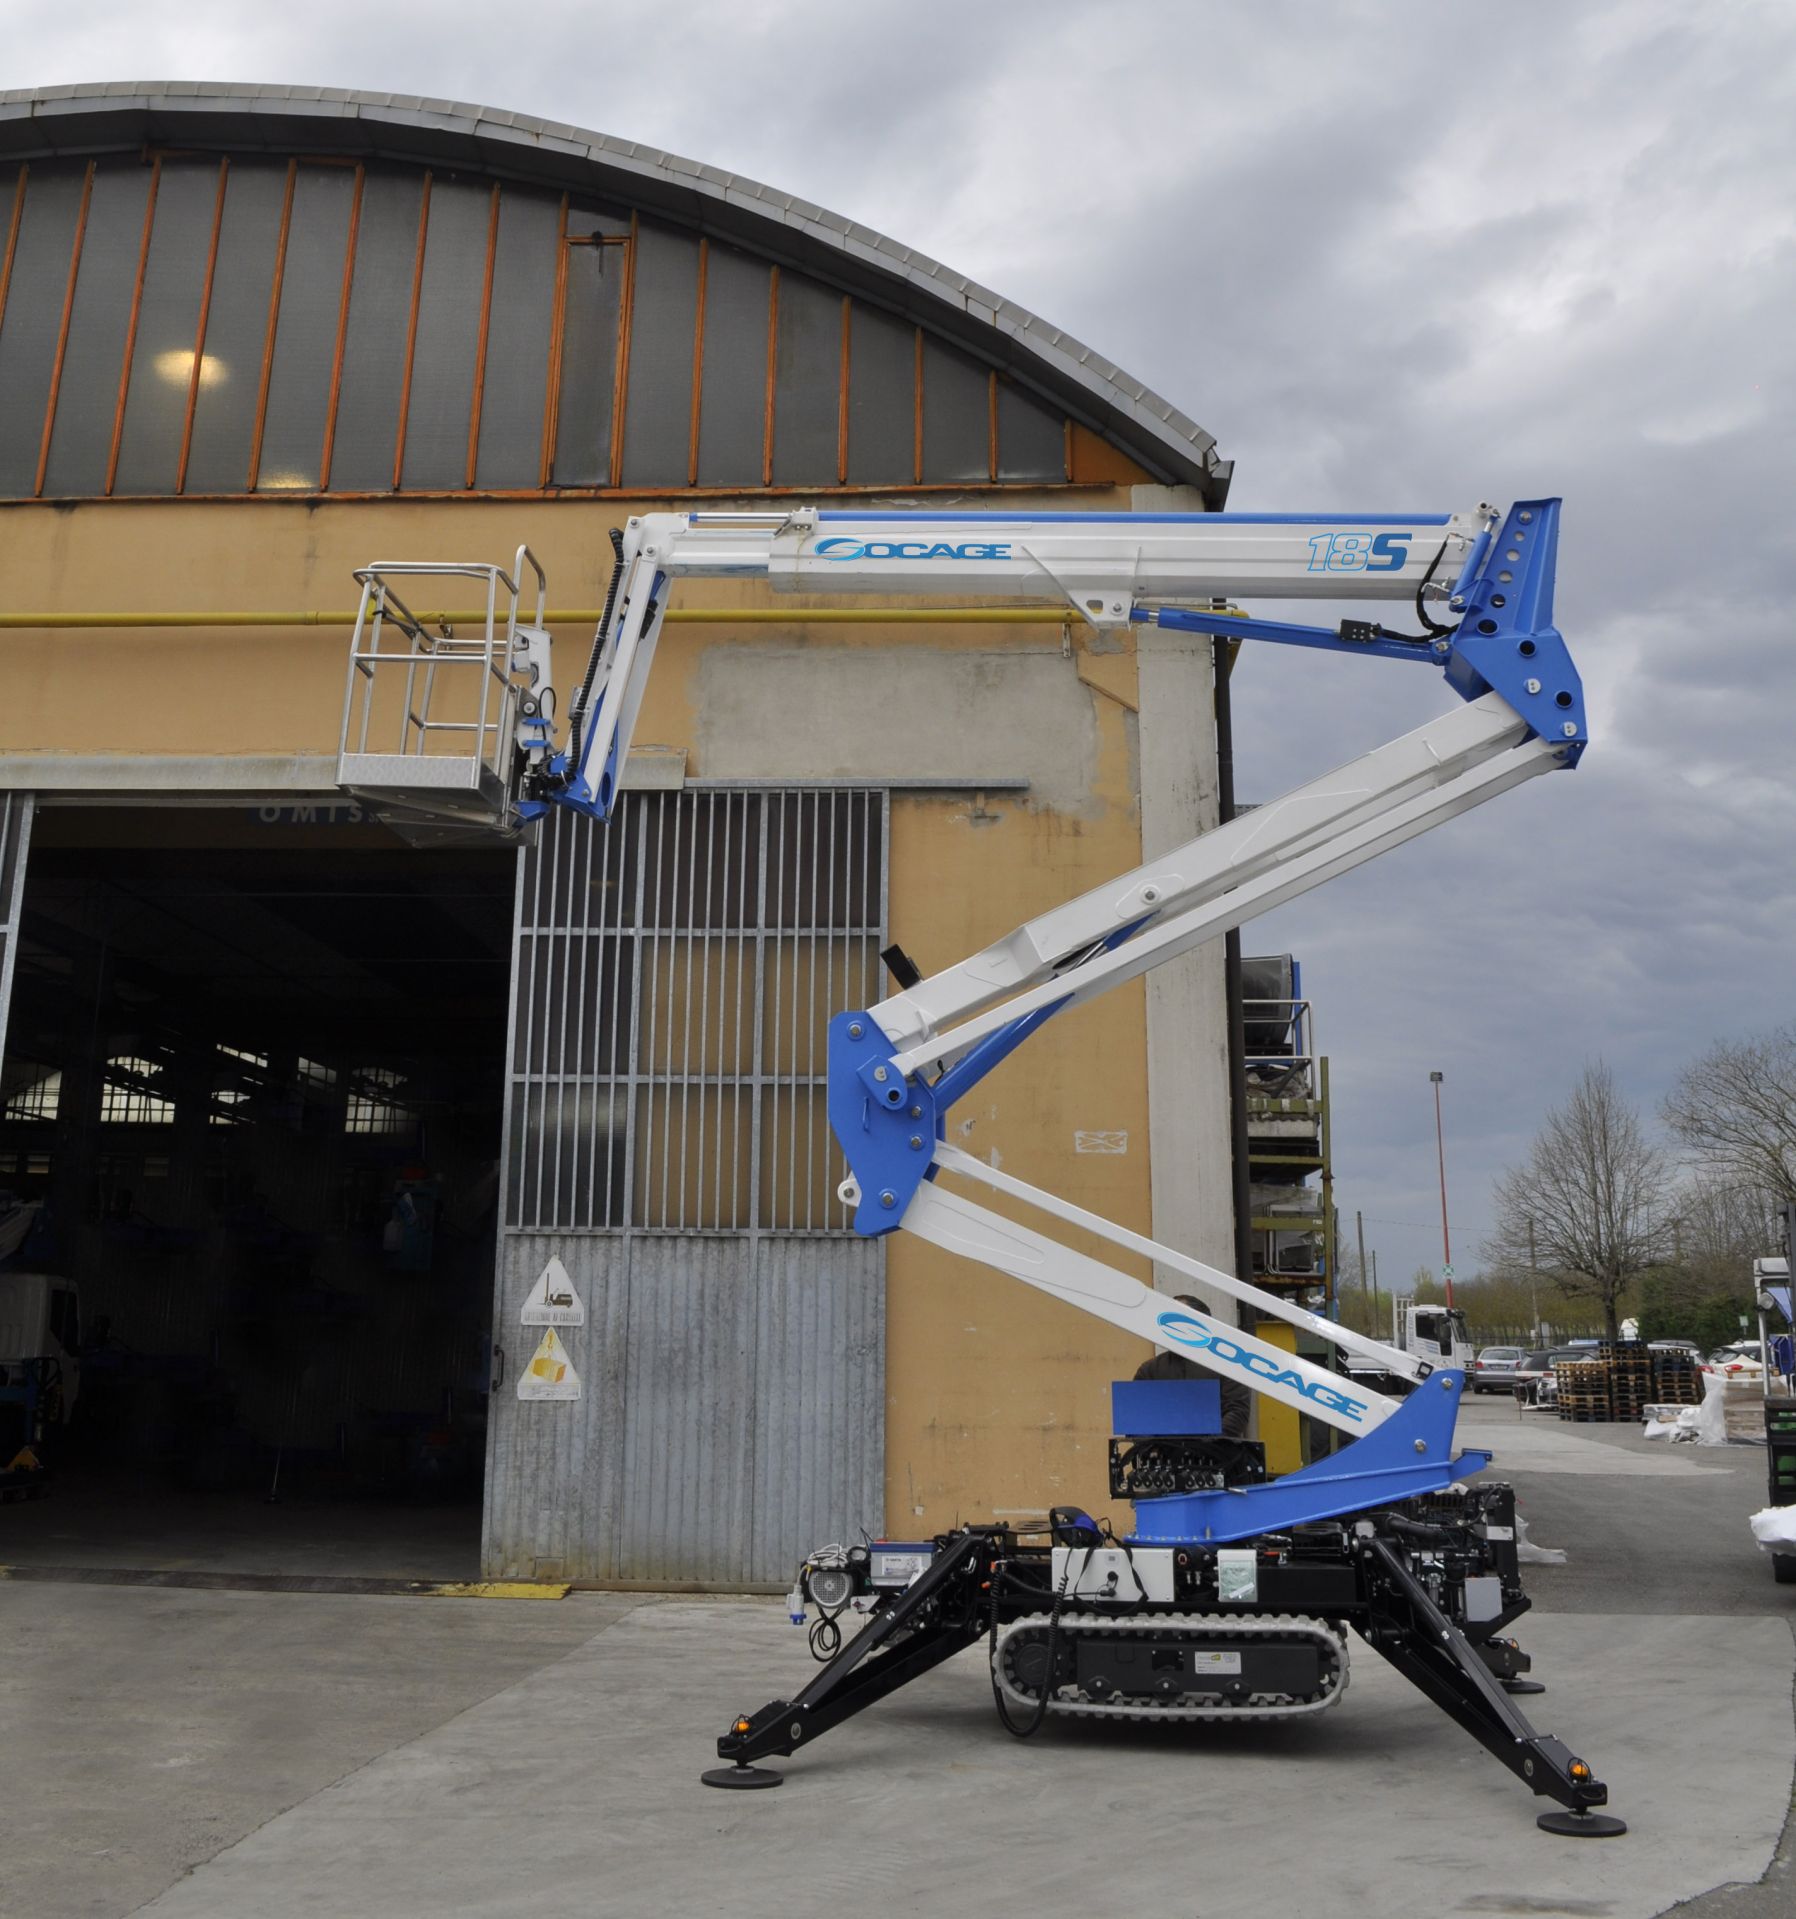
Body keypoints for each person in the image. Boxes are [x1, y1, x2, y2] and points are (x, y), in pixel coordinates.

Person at [1133, 1294, 1252, 1438]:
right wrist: (1153, 1447)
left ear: (1200, 1324)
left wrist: (1207, 1445)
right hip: (1163, 1457)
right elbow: (1137, 1417)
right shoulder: (1149, 1370)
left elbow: (1237, 1411)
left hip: (1217, 1456)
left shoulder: (1228, 1367)